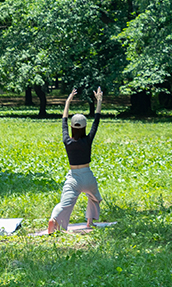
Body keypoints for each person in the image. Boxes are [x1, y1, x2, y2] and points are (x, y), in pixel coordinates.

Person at [47, 87, 104, 234]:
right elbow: (96, 121)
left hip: (73, 177)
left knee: (65, 204)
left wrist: (67, 102)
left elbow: (64, 121)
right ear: (84, 127)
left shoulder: (67, 140)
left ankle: (54, 219)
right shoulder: (88, 140)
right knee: (95, 198)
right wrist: (99, 101)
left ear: (73, 127)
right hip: (87, 176)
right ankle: (90, 222)